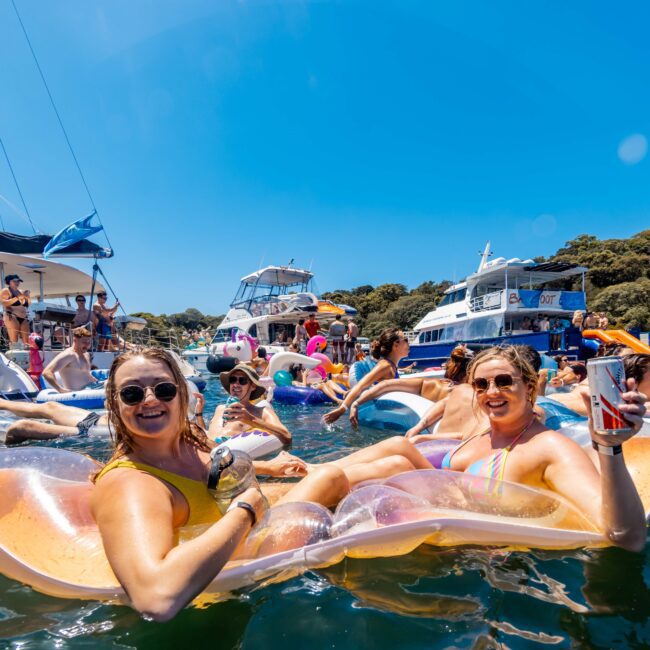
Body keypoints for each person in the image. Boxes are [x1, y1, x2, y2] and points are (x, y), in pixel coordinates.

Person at [91, 348, 428, 620]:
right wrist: (246, 511)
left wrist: (269, 469)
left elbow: (217, 462)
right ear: (115, 404)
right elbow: (156, 599)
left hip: (246, 511)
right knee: (333, 476)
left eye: (163, 389)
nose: (150, 399)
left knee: (396, 458)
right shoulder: (132, 483)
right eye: (132, 393)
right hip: (242, 535)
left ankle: (442, 495)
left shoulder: (186, 441)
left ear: (181, 395)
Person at [438, 345, 646, 551]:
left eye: (504, 382)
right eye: (481, 385)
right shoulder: (483, 429)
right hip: (445, 549)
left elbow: (627, 537)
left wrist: (609, 447)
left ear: (529, 386)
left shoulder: (550, 448)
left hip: (501, 570)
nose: (491, 392)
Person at [350, 344, 475, 429]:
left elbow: (385, 385)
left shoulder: (430, 384)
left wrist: (356, 403)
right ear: (471, 371)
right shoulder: (469, 393)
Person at [323, 328, 410, 425]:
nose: (408, 342)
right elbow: (361, 385)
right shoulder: (385, 366)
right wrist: (342, 409)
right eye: (405, 339)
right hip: (359, 375)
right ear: (396, 345)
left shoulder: (392, 366)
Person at [208, 366, 291, 444]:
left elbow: (287, 436)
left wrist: (251, 419)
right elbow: (208, 433)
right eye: (232, 380)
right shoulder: (219, 408)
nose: (236, 385)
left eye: (242, 381)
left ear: (253, 386)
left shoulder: (262, 412)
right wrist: (199, 414)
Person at [41, 326, 95, 392]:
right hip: (77, 395)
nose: (87, 345)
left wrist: (94, 380)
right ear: (75, 340)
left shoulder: (86, 354)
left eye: (89, 342)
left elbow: (85, 374)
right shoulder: (69, 355)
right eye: (84, 342)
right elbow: (47, 372)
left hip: (90, 389)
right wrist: (60, 389)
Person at [1, 274, 31, 346]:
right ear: (9, 282)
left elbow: (28, 303)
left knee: (26, 340)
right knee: (14, 339)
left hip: (23, 317)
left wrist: (27, 297)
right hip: (11, 316)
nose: (17, 283)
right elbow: (4, 302)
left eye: (18, 281)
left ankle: (27, 355)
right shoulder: (5, 291)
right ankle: (13, 355)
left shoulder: (21, 291)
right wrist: (18, 297)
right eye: (15, 281)